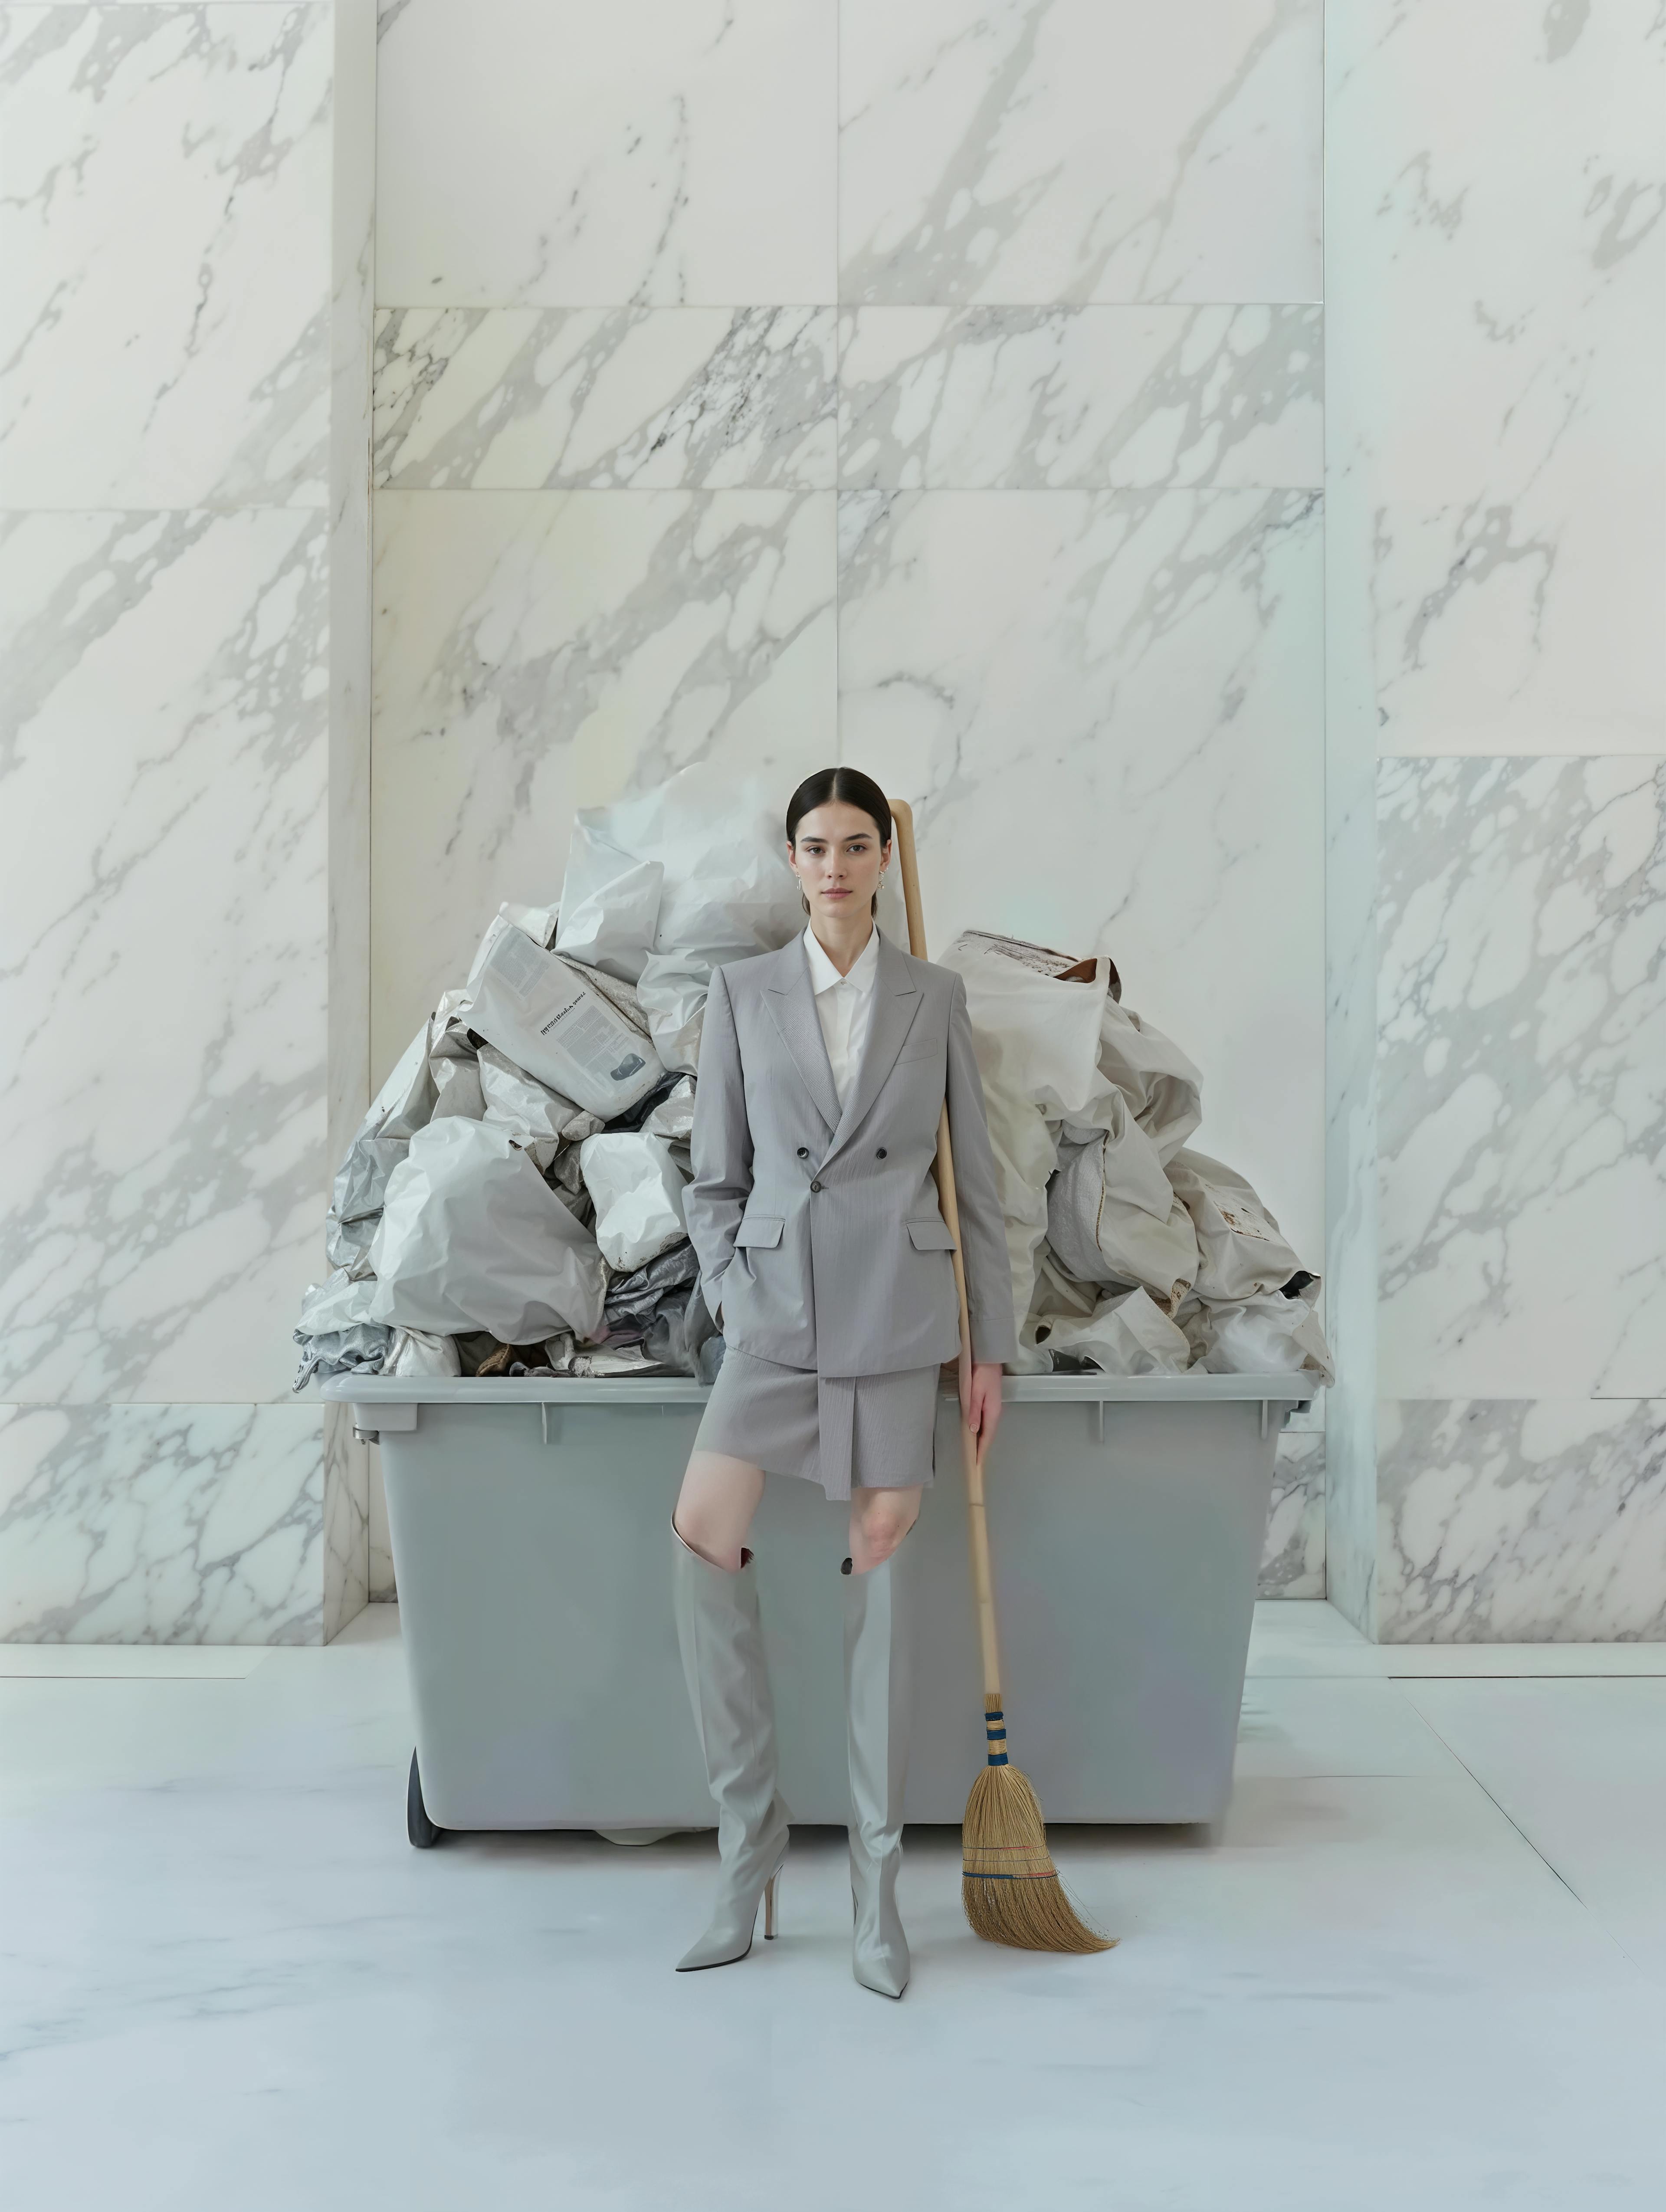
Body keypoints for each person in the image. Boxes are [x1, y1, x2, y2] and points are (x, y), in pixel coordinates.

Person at [670, 766, 1017, 1998]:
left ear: (882, 857)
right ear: (790, 858)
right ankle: (745, 1849)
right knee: (703, 1530)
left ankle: (876, 1887)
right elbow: (713, 1175)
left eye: (856, 844)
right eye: (814, 845)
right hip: (775, 1311)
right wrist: (731, 1281)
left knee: (879, 1550)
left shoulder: (934, 996)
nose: (834, 865)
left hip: (894, 1310)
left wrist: (991, 1345)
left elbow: (976, 1181)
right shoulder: (741, 991)